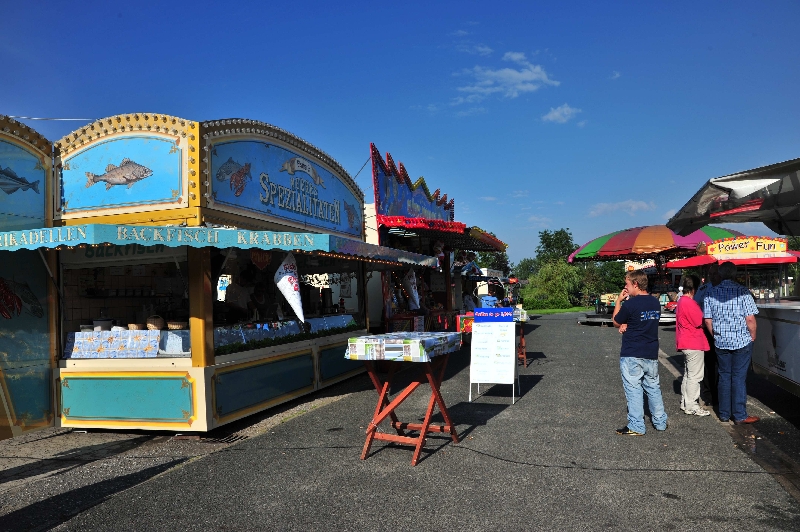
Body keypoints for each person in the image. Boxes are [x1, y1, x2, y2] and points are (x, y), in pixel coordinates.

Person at [612, 270, 668, 436]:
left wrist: (618, 301)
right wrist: (628, 323)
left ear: (635, 284)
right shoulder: (655, 303)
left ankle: (636, 425)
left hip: (632, 352)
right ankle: (660, 422)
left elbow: (616, 321)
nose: (625, 287)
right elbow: (643, 322)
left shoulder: (630, 304)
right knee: (653, 387)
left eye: (627, 284)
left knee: (634, 389)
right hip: (650, 352)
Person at [703, 261, 759, 424]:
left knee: (724, 376)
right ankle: (740, 415)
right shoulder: (743, 291)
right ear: (735, 274)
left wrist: (716, 335)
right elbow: (750, 319)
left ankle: (724, 413)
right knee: (738, 377)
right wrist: (753, 336)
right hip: (741, 340)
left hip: (721, 341)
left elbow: (707, 320)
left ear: (720, 274)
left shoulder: (710, 292)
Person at [675, 275, 710, 416]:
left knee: (688, 375)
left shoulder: (681, 301)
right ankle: (692, 405)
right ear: (694, 288)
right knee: (695, 376)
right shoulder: (690, 303)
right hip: (694, 342)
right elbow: (700, 322)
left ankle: (685, 402)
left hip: (685, 341)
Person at [695, 263, 721, 406]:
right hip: (710, 329)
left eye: (714, 274)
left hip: (713, 329)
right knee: (711, 364)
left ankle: (714, 395)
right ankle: (711, 395)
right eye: (711, 274)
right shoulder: (705, 289)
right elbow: (696, 307)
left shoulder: (704, 289)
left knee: (715, 365)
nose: (712, 276)